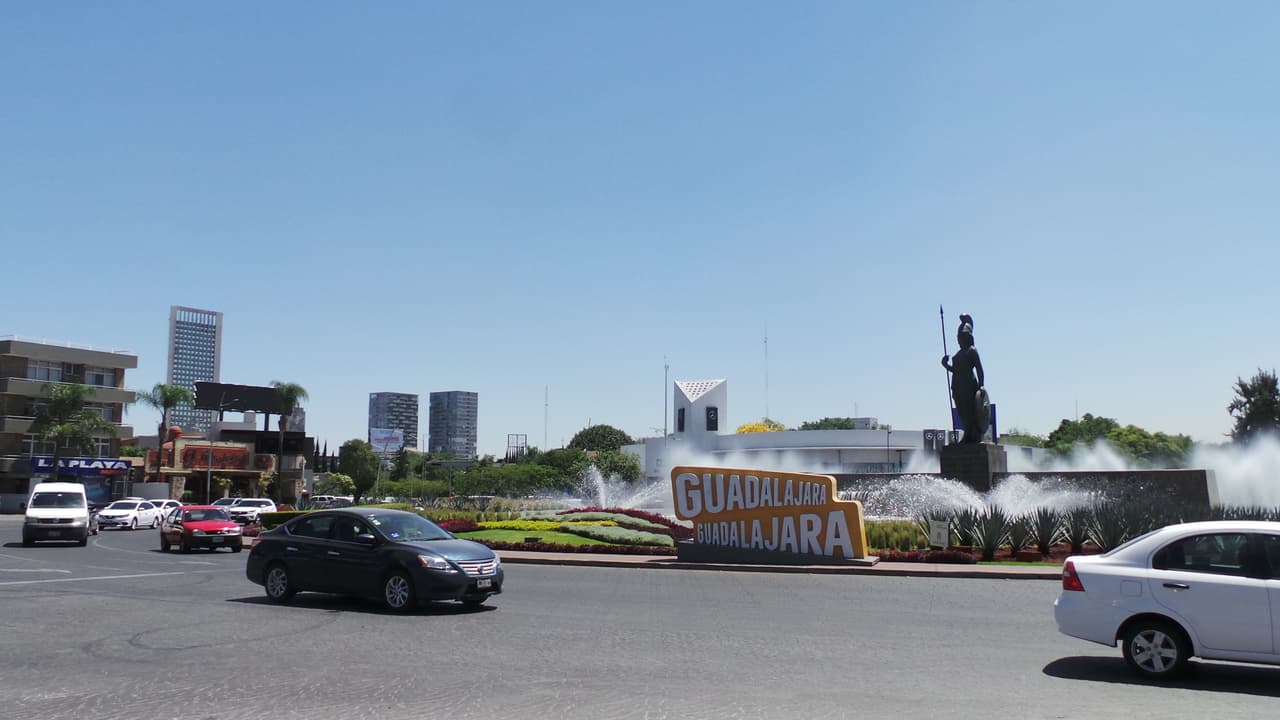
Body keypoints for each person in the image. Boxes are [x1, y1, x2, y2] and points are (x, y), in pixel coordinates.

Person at [941, 315, 986, 443]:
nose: (959, 340)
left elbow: (979, 369)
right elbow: (956, 370)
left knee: (969, 410)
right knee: (961, 410)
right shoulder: (958, 353)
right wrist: (945, 365)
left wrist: (981, 385)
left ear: (968, 337)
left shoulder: (972, 351)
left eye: (961, 337)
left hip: (968, 385)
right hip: (957, 386)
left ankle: (970, 434)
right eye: (958, 337)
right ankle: (967, 433)